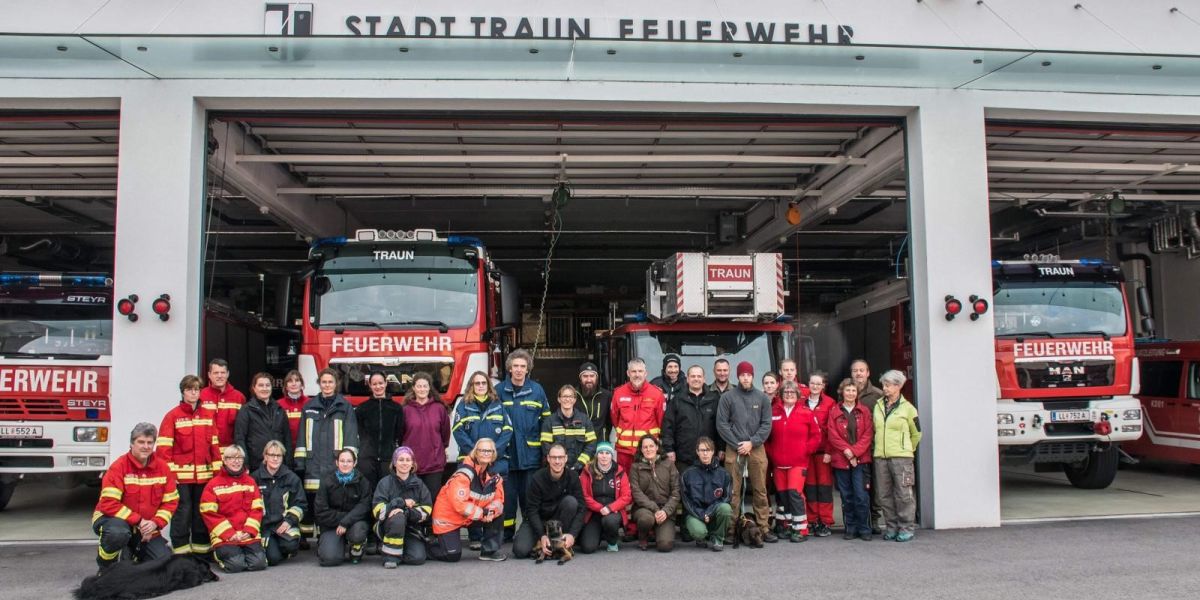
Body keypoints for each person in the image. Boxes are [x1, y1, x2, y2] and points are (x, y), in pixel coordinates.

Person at [92, 422, 178, 572]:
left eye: (150, 442)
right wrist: (139, 522)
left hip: (147, 527)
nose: (146, 446)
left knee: (164, 564)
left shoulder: (163, 468)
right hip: (113, 520)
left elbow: (171, 502)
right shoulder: (118, 467)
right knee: (117, 534)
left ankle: (131, 552)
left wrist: (154, 524)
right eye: (141, 442)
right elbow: (108, 504)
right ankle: (105, 566)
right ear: (132, 443)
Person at [294, 368, 359, 550]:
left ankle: (330, 536)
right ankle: (307, 538)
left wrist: (348, 462)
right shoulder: (309, 407)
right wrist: (300, 462)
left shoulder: (344, 407)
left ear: (335, 384)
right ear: (319, 384)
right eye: (324, 382)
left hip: (335, 465)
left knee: (333, 501)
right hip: (313, 464)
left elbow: (351, 436)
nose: (327, 385)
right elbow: (301, 437)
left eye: (330, 382)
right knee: (313, 502)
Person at [157, 374, 220, 556]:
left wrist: (217, 474)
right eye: (190, 389)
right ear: (183, 392)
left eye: (197, 389)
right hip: (180, 478)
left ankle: (201, 550)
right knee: (182, 513)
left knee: (201, 512)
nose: (193, 393)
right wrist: (170, 477)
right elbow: (163, 450)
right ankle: (181, 551)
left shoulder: (208, 415)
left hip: (205, 476)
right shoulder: (172, 416)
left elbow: (214, 446)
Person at [715, 361, 776, 543]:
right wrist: (737, 444)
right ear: (738, 376)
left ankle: (763, 528)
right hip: (734, 448)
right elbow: (722, 424)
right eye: (742, 375)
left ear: (752, 376)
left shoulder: (762, 398)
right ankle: (731, 529)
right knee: (733, 491)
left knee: (760, 490)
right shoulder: (727, 397)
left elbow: (766, 425)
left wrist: (752, 442)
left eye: (748, 375)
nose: (745, 378)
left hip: (756, 448)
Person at [496, 349, 551, 540]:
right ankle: (507, 533)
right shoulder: (498, 391)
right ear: (509, 368)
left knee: (529, 499)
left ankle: (529, 532)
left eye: (523, 366)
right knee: (508, 499)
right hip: (507, 455)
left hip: (531, 455)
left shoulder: (537, 390)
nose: (519, 370)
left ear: (528, 369)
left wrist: (546, 452)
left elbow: (546, 423)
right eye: (515, 366)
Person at [429, 438, 507, 562]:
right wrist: (483, 513)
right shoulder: (464, 474)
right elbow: (459, 505)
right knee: (452, 555)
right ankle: (427, 545)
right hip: (449, 519)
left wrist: (491, 511)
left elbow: (499, 501)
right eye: (482, 450)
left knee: (499, 513)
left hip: (470, 517)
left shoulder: (494, 477)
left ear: (494, 454)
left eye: (489, 451)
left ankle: (488, 551)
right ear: (475, 452)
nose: (486, 453)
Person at [765, 381, 822, 542]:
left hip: (798, 463)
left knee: (794, 494)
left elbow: (816, 436)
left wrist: (805, 450)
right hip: (778, 463)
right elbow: (767, 437)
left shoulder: (806, 412)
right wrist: (772, 453)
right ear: (781, 395)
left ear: (797, 395)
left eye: (792, 392)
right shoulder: (773, 412)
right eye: (786, 392)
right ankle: (785, 525)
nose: (789, 395)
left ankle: (800, 529)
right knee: (782, 496)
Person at [200, 444, 267, 573]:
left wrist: (249, 530)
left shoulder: (250, 482)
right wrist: (229, 534)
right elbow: (208, 513)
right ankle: (218, 554)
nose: (236, 461)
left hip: (247, 533)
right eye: (231, 458)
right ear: (224, 460)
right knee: (236, 566)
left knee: (259, 564)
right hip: (225, 536)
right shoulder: (213, 485)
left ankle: (242, 553)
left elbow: (257, 508)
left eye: (240, 458)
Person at [513, 443, 586, 559]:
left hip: (559, 521)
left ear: (566, 458)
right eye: (554, 458)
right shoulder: (537, 478)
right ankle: (542, 541)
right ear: (548, 458)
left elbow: (582, 507)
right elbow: (532, 510)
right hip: (540, 519)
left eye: (560, 457)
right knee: (520, 551)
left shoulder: (573, 477)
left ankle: (560, 542)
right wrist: (542, 535)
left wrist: (572, 534)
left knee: (571, 502)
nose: (557, 461)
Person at [873, 370, 922, 542]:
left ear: (898, 386)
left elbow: (917, 433)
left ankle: (906, 527)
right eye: (884, 385)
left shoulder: (909, 409)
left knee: (904, 494)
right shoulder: (878, 405)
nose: (885, 388)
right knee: (884, 494)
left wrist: (906, 449)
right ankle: (891, 527)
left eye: (888, 385)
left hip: (901, 457)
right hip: (881, 456)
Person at [827, 379, 874, 541]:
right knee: (847, 496)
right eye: (848, 390)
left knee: (861, 496)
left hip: (860, 461)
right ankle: (851, 528)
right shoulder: (834, 411)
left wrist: (854, 453)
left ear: (857, 393)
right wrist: (847, 452)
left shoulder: (864, 411)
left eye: (853, 391)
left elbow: (868, 434)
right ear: (842, 392)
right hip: (841, 460)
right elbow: (832, 435)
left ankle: (864, 528)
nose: (851, 393)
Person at [372, 446, 433, 568]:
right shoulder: (385, 483)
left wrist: (406, 513)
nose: (404, 463)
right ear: (394, 463)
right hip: (388, 526)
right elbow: (377, 511)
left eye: (407, 460)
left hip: (411, 528)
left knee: (418, 558)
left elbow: (427, 510)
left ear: (412, 464)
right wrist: (400, 503)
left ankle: (394, 548)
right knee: (398, 518)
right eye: (400, 460)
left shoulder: (419, 485)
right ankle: (390, 557)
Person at [252, 440, 306, 565]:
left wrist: (289, 521)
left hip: (283, 524)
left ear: (282, 457)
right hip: (264, 526)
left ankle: (280, 547)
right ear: (265, 456)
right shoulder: (255, 478)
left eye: (279, 455)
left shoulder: (292, 478)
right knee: (273, 559)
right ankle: (272, 548)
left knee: (291, 545)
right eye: (272, 455)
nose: (275, 459)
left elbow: (301, 504)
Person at [315, 448, 371, 566]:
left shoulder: (363, 482)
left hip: (354, 524)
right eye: (342, 461)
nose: (345, 464)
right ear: (337, 462)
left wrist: (346, 522)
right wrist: (342, 521)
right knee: (329, 560)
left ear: (355, 463)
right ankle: (331, 545)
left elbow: (364, 507)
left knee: (358, 533)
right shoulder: (326, 482)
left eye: (349, 461)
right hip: (332, 525)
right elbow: (321, 511)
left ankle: (356, 547)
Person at [611, 358, 665, 474]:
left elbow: (661, 421)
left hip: (647, 451)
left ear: (646, 373)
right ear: (628, 373)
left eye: (640, 371)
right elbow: (615, 419)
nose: (637, 375)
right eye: (634, 371)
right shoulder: (618, 393)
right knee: (624, 483)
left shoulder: (657, 394)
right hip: (624, 451)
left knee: (647, 485)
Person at [662, 365, 721, 473]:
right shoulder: (677, 400)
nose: (696, 379)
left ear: (704, 379)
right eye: (693, 376)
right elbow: (667, 427)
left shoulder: (714, 399)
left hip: (708, 457)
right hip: (684, 459)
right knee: (684, 489)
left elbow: (720, 427)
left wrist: (721, 448)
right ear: (687, 379)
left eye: (699, 376)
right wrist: (669, 449)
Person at [355, 371, 406, 496]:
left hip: (387, 458)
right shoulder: (362, 408)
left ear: (386, 383)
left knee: (387, 493)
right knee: (367, 493)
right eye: (374, 384)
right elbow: (358, 432)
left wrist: (393, 448)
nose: (378, 386)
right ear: (370, 385)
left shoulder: (396, 408)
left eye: (380, 383)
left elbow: (400, 433)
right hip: (367, 459)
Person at [401, 371, 451, 496]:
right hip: (412, 465)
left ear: (429, 388)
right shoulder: (405, 410)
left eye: (425, 386)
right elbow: (400, 434)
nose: (422, 389)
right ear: (413, 388)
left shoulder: (439, 408)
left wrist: (441, 449)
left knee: (433, 499)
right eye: (419, 386)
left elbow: (445, 433)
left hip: (434, 464)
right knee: (413, 500)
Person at [850, 359, 885, 533]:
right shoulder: (846, 392)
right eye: (855, 371)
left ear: (868, 373)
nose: (858, 374)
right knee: (857, 488)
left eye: (861, 370)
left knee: (875, 488)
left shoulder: (878, 395)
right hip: (852, 452)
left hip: (872, 448)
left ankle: (875, 520)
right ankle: (858, 521)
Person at [680, 436, 732, 551]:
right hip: (695, 514)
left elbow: (726, 498)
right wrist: (702, 515)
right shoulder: (687, 474)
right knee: (699, 532)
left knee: (726, 508)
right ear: (697, 452)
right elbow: (686, 501)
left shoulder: (724, 474)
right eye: (702, 450)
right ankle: (701, 537)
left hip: (713, 514)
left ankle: (718, 538)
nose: (705, 454)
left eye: (708, 450)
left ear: (713, 452)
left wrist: (709, 512)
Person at [628, 435, 679, 552]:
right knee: (646, 519)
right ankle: (643, 536)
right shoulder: (635, 467)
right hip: (644, 509)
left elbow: (676, 492)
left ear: (657, 447)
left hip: (666, 510)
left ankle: (658, 533)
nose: (648, 449)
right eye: (645, 447)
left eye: (651, 446)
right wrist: (655, 509)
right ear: (641, 450)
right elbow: (636, 493)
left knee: (665, 546)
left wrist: (665, 511)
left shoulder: (669, 465)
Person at [578, 442, 631, 554]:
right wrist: (599, 508)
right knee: (588, 548)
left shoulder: (620, 471)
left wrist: (610, 508)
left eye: (607, 453)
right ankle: (600, 533)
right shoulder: (587, 471)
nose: (604, 456)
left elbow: (626, 496)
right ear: (597, 455)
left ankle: (612, 541)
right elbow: (583, 495)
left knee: (610, 521)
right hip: (593, 513)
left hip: (613, 512)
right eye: (601, 453)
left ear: (612, 455)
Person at [234, 372, 291, 474]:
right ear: (254, 388)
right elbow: (240, 438)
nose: (264, 388)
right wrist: (245, 463)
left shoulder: (279, 409)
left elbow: (287, 438)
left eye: (267, 385)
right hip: (256, 466)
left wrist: (288, 462)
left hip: (278, 465)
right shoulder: (246, 410)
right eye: (261, 385)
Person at [803, 371, 837, 538]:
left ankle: (825, 521)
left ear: (824, 386)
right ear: (808, 384)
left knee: (824, 489)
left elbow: (833, 430)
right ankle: (812, 520)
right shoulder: (801, 403)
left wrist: (830, 451)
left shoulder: (830, 403)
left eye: (819, 383)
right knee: (809, 488)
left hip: (823, 453)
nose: (815, 386)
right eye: (812, 383)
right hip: (807, 453)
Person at [541, 384, 598, 472]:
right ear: (559, 399)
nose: (567, 399)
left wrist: (580, 463)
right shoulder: (550, 421)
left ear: (574, 400)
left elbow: (591, 444)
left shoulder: (584, 420)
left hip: (580, 470)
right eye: (564, 396)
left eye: (570, 396)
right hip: (557, 470)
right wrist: (559, 463)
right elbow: (546, 446)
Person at [200, 358, 246, 448]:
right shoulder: (200, 396)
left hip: (230, 454)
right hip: (206, 452)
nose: (219, 376)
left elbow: (244, 429)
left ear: (228, 374)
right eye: (216, 373)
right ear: (209, 375)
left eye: (223, 372)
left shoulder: (239, 397)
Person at [576, 362, 612, 441]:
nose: (589, 380)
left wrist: (604, 437)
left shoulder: (606, 395)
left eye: (592, 376)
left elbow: (610, 421)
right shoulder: (573, 395)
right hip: (579, 443)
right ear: (580, 378)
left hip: (600, 444)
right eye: (585, 376)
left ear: (597, 377)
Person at [277, 370, 308, 449]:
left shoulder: (310, 403)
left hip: (306, 448)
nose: (294, 384)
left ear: (302, 384)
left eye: (297, 380)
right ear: (286, 386)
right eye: (290, 381)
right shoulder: (278, 404)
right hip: (285, 448)